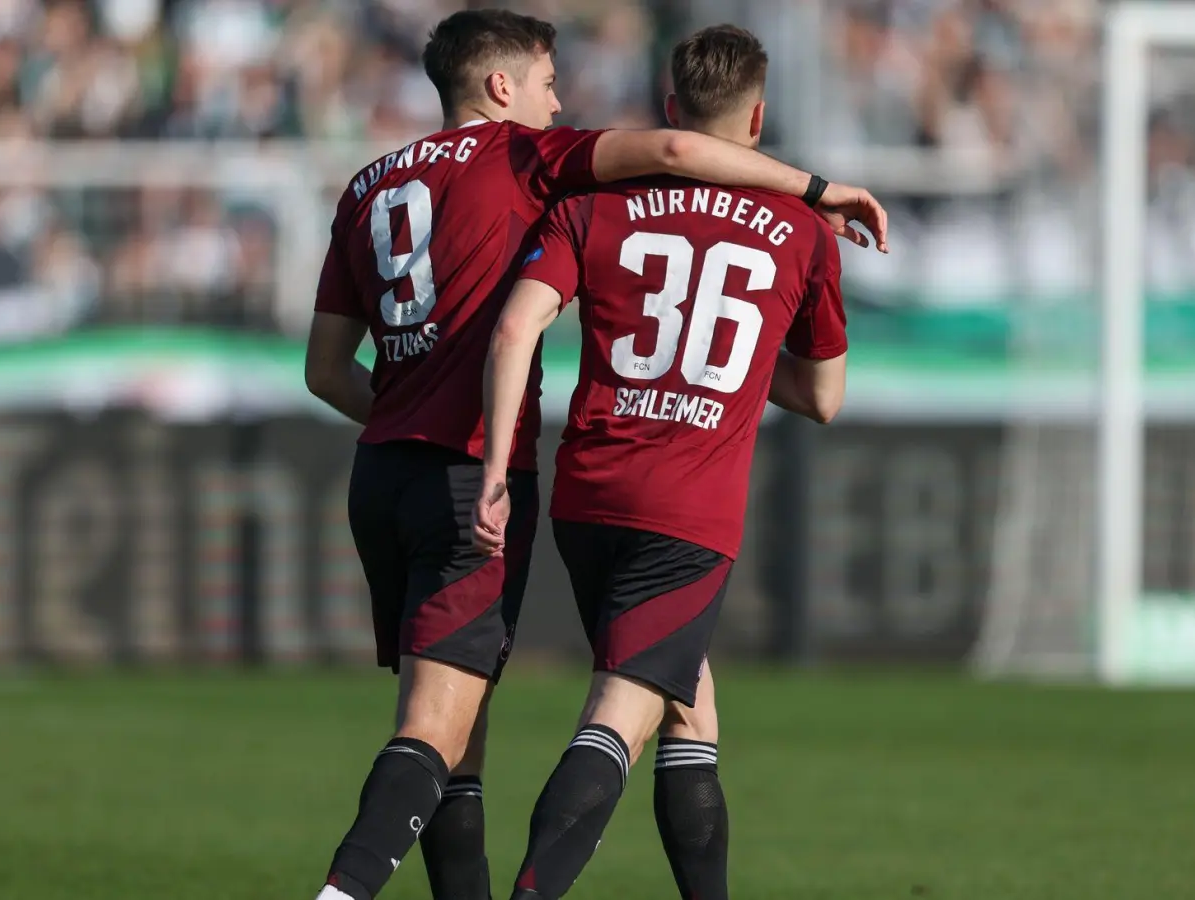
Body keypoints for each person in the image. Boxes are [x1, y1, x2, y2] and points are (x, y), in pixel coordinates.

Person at [304, 9, 885, 900]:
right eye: (546, 82)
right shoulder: (531, 163)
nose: (558, 100)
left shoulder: (371, 182)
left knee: (511, 727)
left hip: (393, 468)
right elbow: (684, 165)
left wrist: (405, 410)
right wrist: (815, 189)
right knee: (459, 729)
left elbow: (323, 369)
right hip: (521, 480)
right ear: (501, 88)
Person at [472, 24, 853, 900]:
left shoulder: (588, 204)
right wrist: (743, 363)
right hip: (687, 516)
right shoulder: (802, 232)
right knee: (618, 716)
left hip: (589, 496)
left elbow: (520, 322)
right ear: (757, 119)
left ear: (671, 110)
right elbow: (823, 397)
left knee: (691, 708)